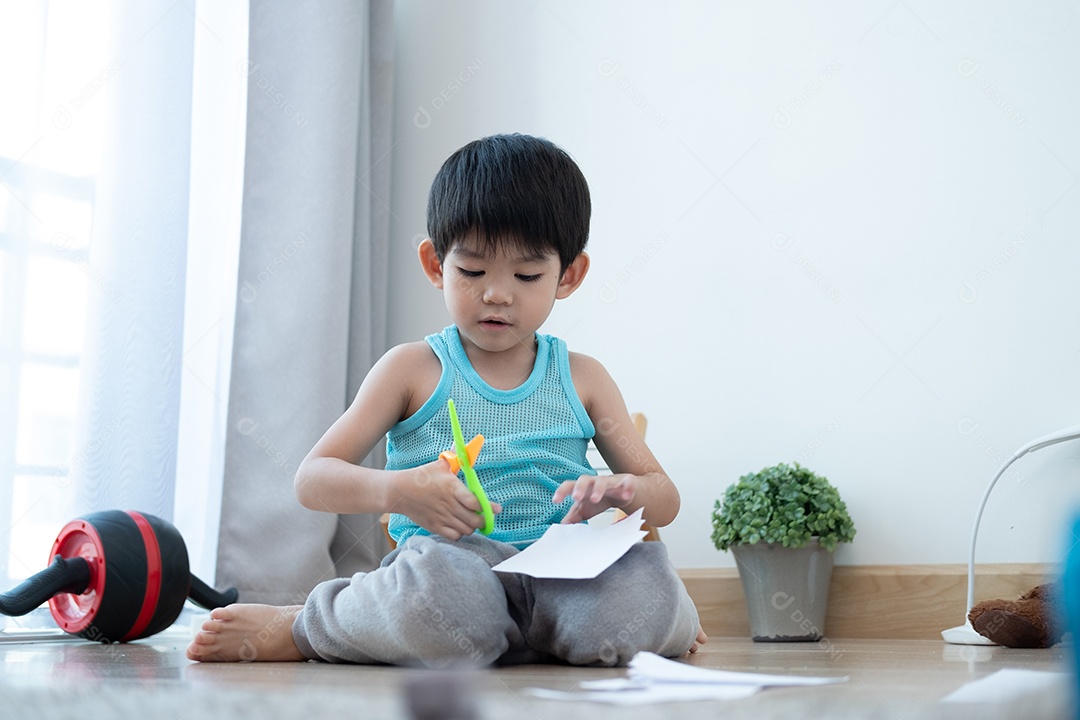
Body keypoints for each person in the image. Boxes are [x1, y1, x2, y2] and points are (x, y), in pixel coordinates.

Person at [187, 133, 705, 667]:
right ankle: (306, 625)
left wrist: (624, 492)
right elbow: (313, 479)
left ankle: (530, 634)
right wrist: (399, 491)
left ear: (568, 275)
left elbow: (664, 497)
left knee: (640, 591)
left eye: (527, 275)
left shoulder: (584, 378)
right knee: (440, 601)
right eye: (472, 272)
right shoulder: (411, 370)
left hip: (563, 573)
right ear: (436, 265)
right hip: (455, 570)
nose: (497, 294)